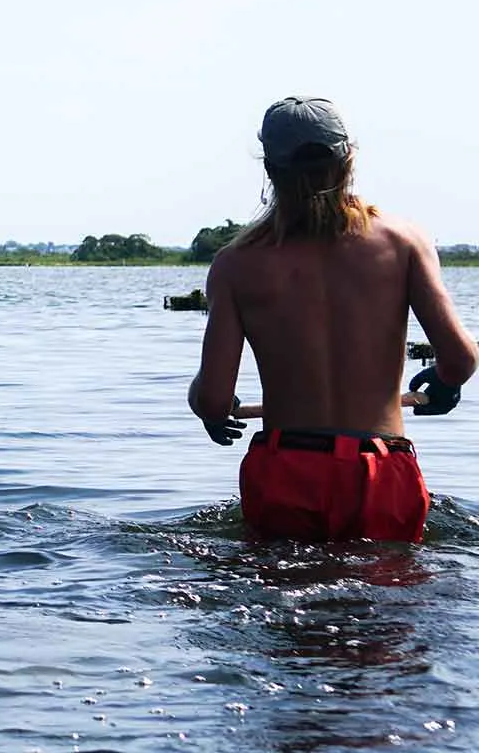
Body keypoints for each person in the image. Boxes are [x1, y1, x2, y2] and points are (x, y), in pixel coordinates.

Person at [189, 97, 478, 542]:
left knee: (287, 596)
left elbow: (212, 399)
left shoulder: (236, 264)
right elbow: (459, 360)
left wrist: (213, 409)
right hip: (380, 468)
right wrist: (443, 381)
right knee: (390, 598)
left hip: (287, 469)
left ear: (269, 169)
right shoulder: (404, 243)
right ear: (349, 160)